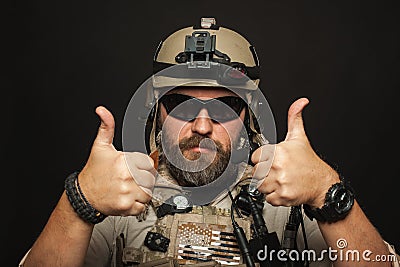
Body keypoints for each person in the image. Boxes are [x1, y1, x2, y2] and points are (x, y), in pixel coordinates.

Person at [21, 18, 399, 267]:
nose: (202, 125)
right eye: (182, 103)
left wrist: (327, 193)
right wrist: (79, 203)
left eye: (225, 106)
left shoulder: (286, 203)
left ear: (248, 117)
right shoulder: (123, 198)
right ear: (158, 113)